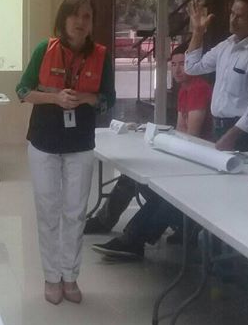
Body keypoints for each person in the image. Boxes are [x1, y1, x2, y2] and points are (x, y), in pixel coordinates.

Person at [17, 0, 115, 304]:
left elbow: (109, 99)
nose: (80, 22)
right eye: (75, 16)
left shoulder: (101, 55)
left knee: (75, 212)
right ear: (63, 19)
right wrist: (55, 98)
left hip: (80, 143)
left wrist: (86, 98)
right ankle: (51, 277)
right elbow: (23, 91)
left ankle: (70, 276)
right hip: (44, 142)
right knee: (48, 211)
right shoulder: (44, 50)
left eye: (87, 17)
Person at [84, 44, 211, 236]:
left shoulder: (198, 88)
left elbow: (191, 135)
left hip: (199, 162)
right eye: (174, 64)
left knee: (142, 179)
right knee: (133, 176)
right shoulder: (184, 89)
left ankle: (126, 231)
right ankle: (111, 224)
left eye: (183, 64)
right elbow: (180, 130)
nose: (177, 69)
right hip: (187, 154)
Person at [183, 0, 248, 155]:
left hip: (243, 133)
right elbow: (192, 67)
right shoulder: (225, 47)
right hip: (219, 127)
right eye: (232, 14)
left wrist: (232, 136)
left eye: (240, 16)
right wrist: (198, 32)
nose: (233, 20)